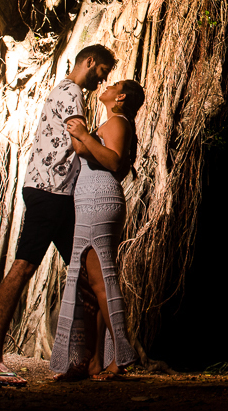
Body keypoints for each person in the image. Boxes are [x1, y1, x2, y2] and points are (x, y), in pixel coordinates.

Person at [0, 45, 116, 386]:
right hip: (51, 193)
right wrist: (110, 153)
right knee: (24, 267)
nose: (102, 79)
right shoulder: (72, 93)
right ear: (90, 62)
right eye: (102, 71)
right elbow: (79, 144)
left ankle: (92, 361)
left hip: (57, 194)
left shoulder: (61, 90)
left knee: (90, 275)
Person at [49, 78, 145, 380]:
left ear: (121, 97)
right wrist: (81, 135)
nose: (106, 85)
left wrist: (84, 136)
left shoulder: (118, 122)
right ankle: (97, 360)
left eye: (113, 85)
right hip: (91, 200)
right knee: (96, 281)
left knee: (102, 280)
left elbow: (114, 162)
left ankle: (121, 356)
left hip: (99, 200)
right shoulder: (109, 123)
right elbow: (87, 152)